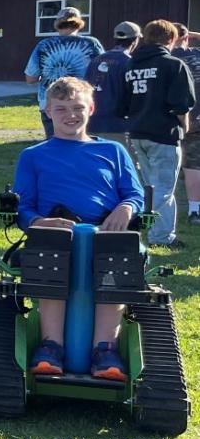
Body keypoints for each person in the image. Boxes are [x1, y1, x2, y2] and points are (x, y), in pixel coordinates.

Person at [13, 76, 142, 380]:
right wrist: (38, 222)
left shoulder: (113, 151)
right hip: (55, 230)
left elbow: (134, 193)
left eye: (77, 107)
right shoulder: (33, 156)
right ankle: (51, 345)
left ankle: (105, 348)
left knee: (117, 256)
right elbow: (23, 206)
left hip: (106, 231)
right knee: (50, 251)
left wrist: (125, 208)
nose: (70, 115)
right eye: (61, 109)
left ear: (91, 108)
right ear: (47, 111)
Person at [118, 20, 195, 248]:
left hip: (137, 132)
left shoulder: (130, 66)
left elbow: (122, 104)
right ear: (171, 40)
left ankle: (159, 233)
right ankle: (156, 235)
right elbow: (182, 103)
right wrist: (185, 126)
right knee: (162, 188)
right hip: (164, 133)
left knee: (150, 185)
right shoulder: (173, 64)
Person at [24, 6, 104, 139]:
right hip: (80, 102)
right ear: (79, 23)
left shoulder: (43, 45)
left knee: (54, 144)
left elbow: (30, 78)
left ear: (57, 23)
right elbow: (103, 71)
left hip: (50, 104)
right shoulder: (91, 44)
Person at [85, 20, 140, 148]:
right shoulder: (129, 62)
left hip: (91, 123)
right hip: (118, 126)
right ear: (135, 39)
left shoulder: (95, 60)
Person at [172, 24, 200, 226]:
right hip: (197, 115)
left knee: (187, 165)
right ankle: (193, 210)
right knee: (193, 165)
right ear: (187, 37)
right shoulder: (197, 55)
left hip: (176, 117)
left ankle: (192, 210)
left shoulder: (167, 58)